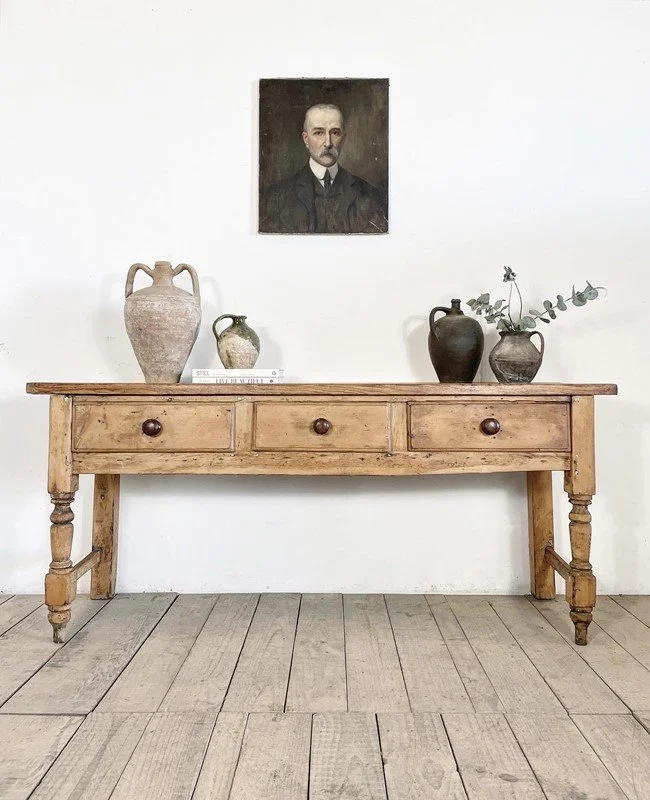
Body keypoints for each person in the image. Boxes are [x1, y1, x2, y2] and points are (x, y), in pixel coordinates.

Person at [259, 103, 388, 234]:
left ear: (343, 139)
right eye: (319, 133)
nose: (328, 143)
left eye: (335, 133)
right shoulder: (276, 198)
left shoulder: (370, 195)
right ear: (306, 139)